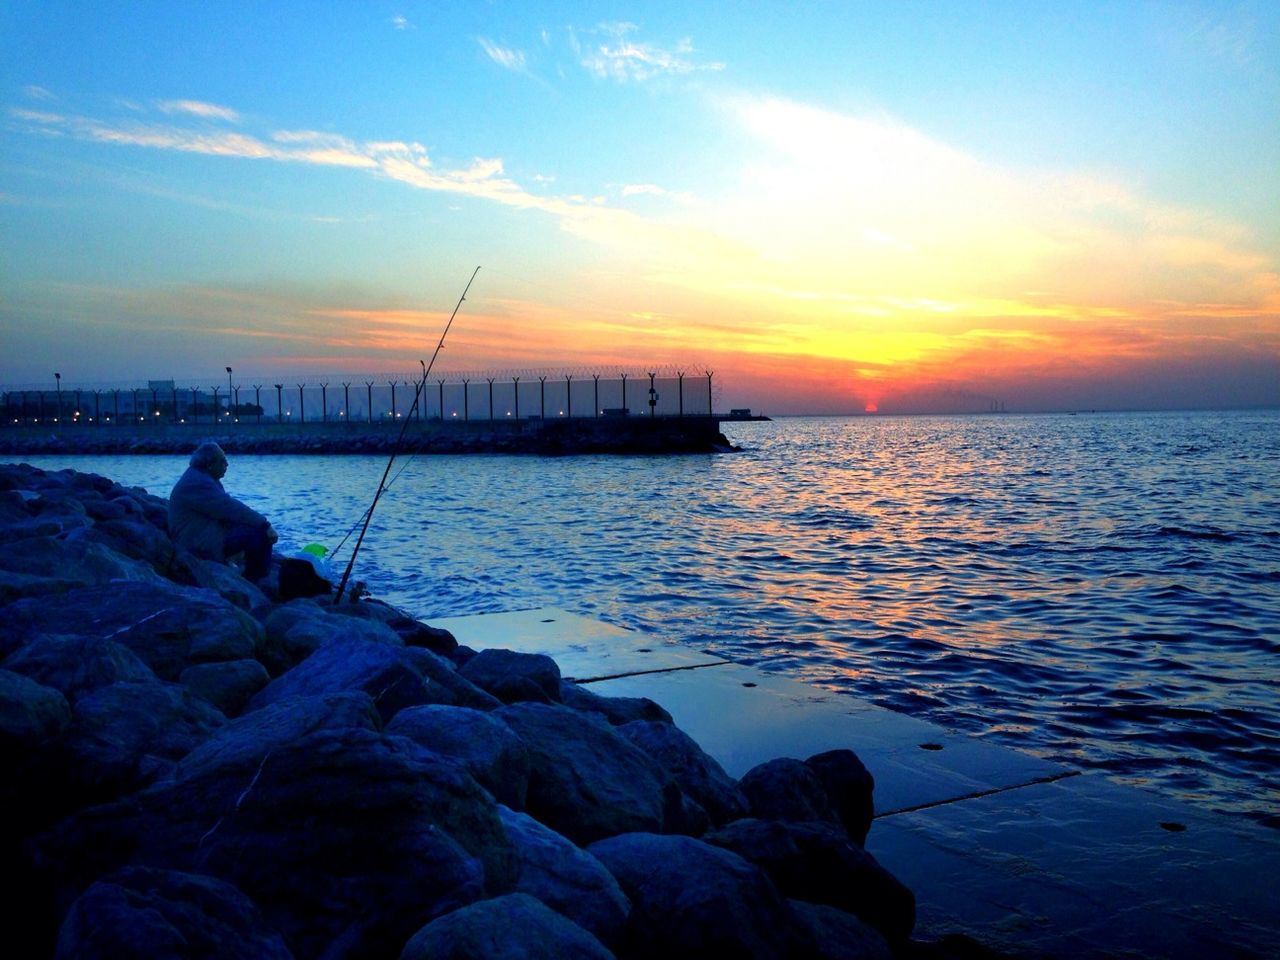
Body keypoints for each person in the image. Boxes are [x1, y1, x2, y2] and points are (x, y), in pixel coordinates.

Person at [169, 441, 277, 582]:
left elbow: (226, 511)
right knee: (259, 534)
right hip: (195, 542)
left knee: (250, 529)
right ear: (209, 464)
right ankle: (256, 581)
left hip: (201, 533)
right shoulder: (198, 483)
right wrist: (265, 524)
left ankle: (252, 574)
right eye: (222, 461)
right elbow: (230, 508)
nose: (227, 464)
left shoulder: (201, 478)